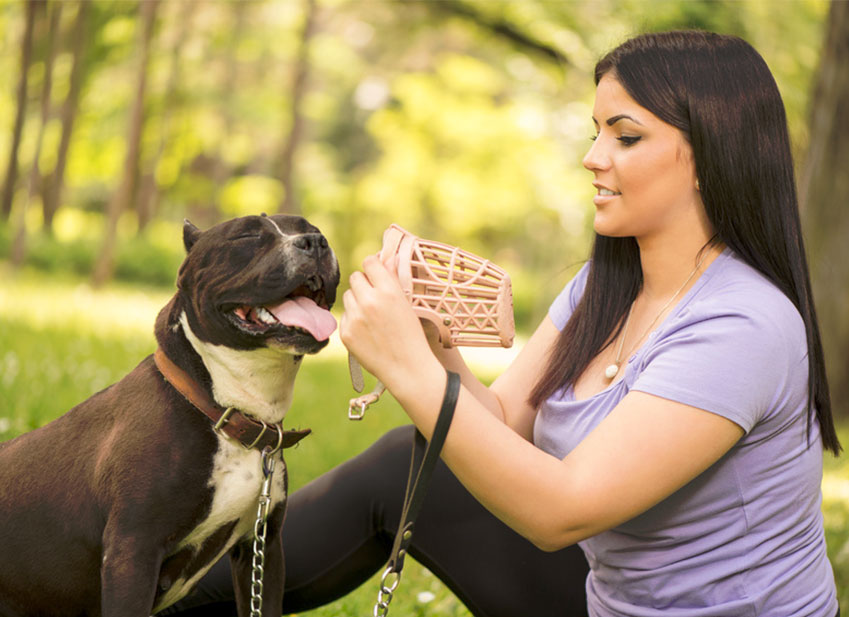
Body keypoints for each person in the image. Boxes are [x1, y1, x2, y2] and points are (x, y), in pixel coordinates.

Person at [162, 30, 841, 617]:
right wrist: (436, 348)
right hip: (608, 598)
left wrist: (406, 367)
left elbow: (562, 510)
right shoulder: (604, 287)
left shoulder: (743, 324)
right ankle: (144, 600)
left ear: (709, 157)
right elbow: (500, 418)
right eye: (595, 130)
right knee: (407, 460)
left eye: (625, 135)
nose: (592, 157)